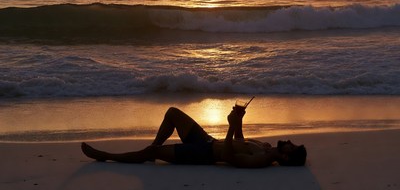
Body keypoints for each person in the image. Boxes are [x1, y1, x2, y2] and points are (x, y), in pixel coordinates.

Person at [81, 106, 307, 168]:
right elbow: (239, 143)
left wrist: (230, 127)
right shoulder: (265, 147)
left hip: (203, 153)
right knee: (172, 113)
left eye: (292, 147)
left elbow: (229, 157)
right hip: (207, 140)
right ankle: (152, 150)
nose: (289, 142)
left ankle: (106, 156)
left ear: (286, 158)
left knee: (151, 153)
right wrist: (239, 122)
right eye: (292, 143)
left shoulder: (261, 160)